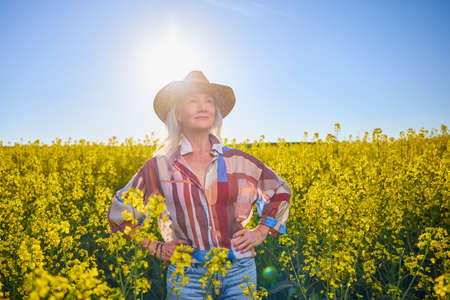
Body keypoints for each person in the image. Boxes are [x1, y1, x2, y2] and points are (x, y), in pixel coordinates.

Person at [107, 70, 291, 299]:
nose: (202, 106)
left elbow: (279, 190)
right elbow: (119, 212)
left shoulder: (238, 161)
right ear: (178, 115)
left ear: (216, 113)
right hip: (187, 276)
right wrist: (156, 247)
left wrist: (262, 230)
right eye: (192, 101)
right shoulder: (159, 167)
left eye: (209, 101)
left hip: (238, 271)